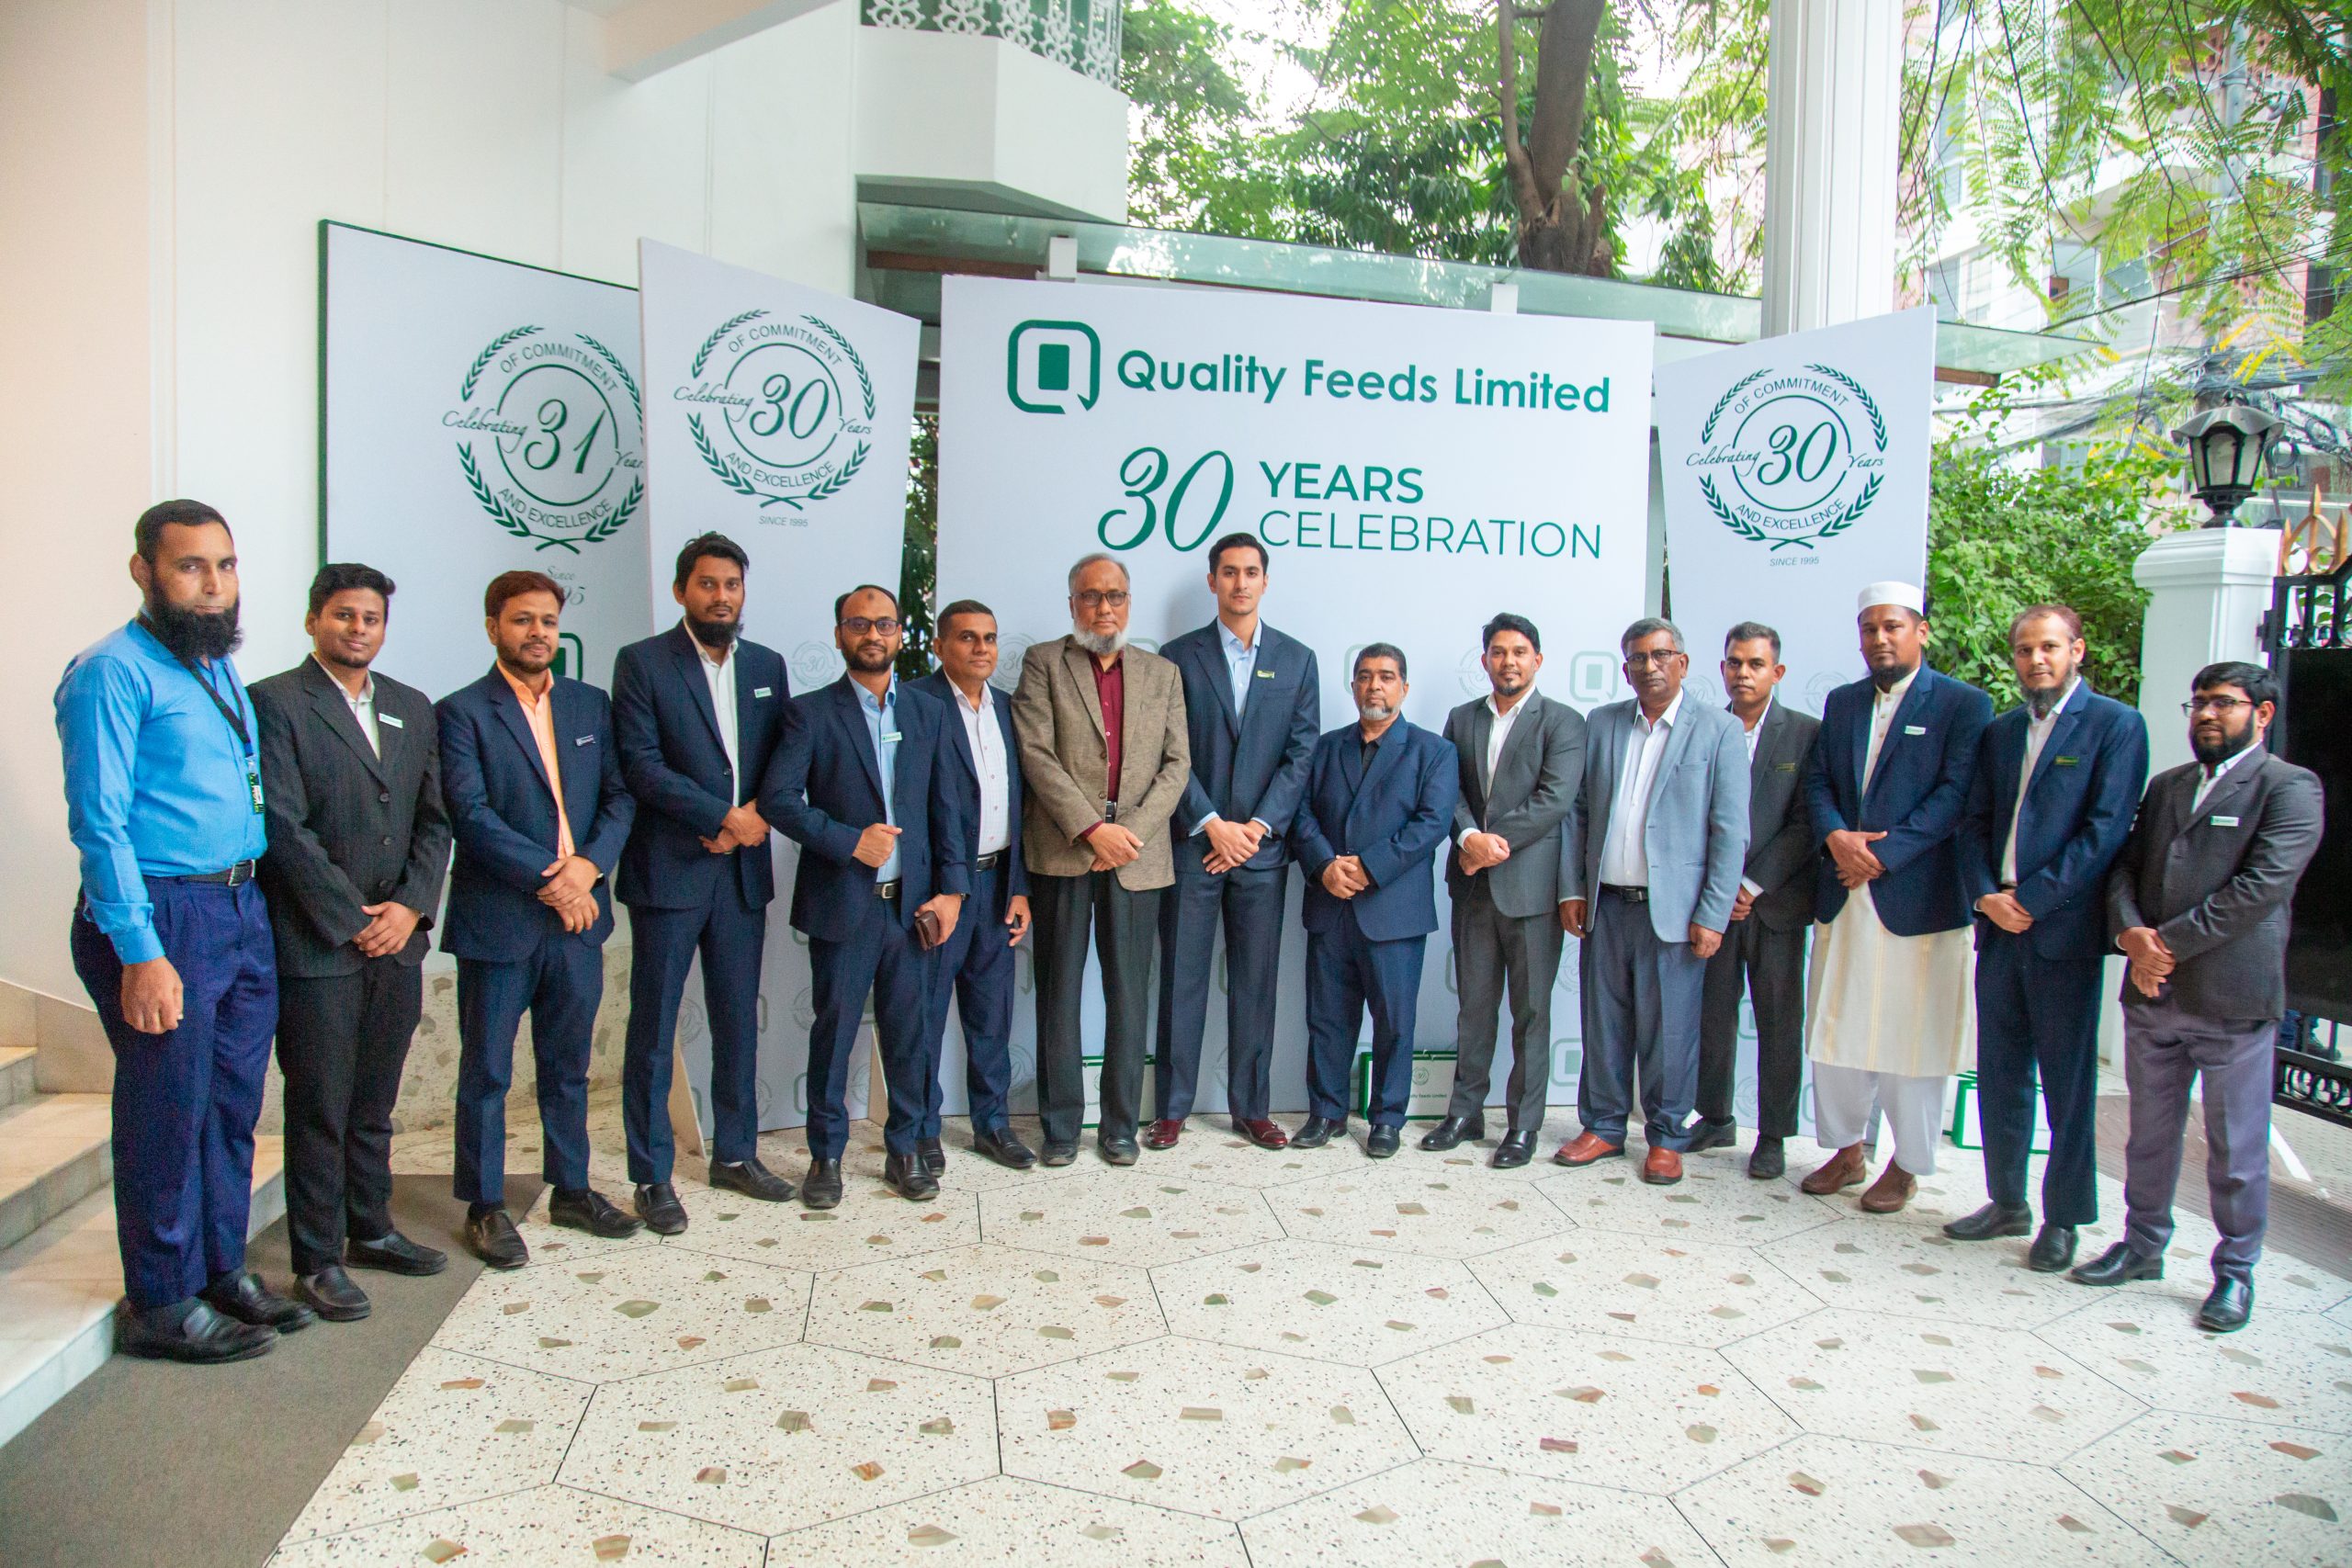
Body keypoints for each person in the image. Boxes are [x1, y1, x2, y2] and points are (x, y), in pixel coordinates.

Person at [59, 500, 311, 1361]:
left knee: (231, 1107)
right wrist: (141, 952)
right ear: (144, 571)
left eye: (225, 565)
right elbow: (100, 824)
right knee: (167, 1112)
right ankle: (161, 1298)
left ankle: (217, 1267)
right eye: (190, 566)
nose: (213, 584)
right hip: (164, 914)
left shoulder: (211, 664)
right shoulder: (111, 671)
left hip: (239, 905)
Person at [2075, 661, 2321, 1333]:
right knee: (2149, 1136)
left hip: (2230, 1000)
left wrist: (2163, 946)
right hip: (2152, 994)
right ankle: (2142, 1245)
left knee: (2236, 1148)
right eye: (2199, 702)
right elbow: (2124, 867)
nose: (2207, 714)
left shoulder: (2289, 788)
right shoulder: (2168, 785)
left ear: (2261, 714)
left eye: (2224, 703)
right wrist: (2130, 934)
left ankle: (2235, 1271)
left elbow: (2260, 888)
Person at [251, 563, 453, 1323]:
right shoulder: (275, 702)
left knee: (374, 1103)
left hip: (397, 942)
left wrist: (408, 909)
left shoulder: (411, 705)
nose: (358, 628)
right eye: (343, 614)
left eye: (370, 617)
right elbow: (282, 825)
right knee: (321, 1107)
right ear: (314, 620)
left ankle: (370, 1228)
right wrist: (353, 916)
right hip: (319, 943)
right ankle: (316, 1259)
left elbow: (434, 819)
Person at [437, 571, 639, 1268]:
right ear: (493, 626)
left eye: (548, 621)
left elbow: (619, 799)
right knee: (487, 1071)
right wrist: (557, 880)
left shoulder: (589, 704)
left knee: (568, 1066)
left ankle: (571, 1189)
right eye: (523, 620)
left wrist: (589, 868)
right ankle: (485, 1205)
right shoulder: (461, 711)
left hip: (578, 923)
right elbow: (471, 816)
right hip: (500, 921)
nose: (538, 633)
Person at [1948, 605, 2148, 1273]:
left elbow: (2106, 829)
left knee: (2067, 1082)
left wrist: (2030, 901)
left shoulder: (2116, 725)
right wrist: (1986, 896)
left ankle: (2064, 1218)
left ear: (2077, 651)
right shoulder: (2002, 731)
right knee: (2001, 1073)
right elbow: (1973, 822)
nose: (2037, 659)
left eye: (2050, 647)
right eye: (2025, 649)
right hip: (1998, 924)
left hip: (2061, 931)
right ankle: (2007, 1200)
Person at [760, 585, 967, 1205]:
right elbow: (778, 800)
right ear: (839, 634)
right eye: (859, 624)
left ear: (900, 634)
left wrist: (953, 891)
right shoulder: (809, 713)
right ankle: (825, 1156)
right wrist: (850, 841)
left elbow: (947, 808)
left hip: (913, 909)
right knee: (835, 1033)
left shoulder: (928, 711)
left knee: (910, 1035)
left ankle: (904, 1150)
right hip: (844, 906)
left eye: (884, 624)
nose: (872, 634)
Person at [612, 534, 794, 1235]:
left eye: (732, 585)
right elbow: (640, 762)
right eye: (709, 584)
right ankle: (651, 1174)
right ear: (682, 590)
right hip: (670, 871)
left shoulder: (767, 665)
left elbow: (784, 760)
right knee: (654, 1028)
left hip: (741, 873)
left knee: (737, 1020)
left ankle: (736, 1154)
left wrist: (752, 820)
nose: (722, 596)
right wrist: (719, 817)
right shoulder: (643, 662)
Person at [1799, 582, 1992, 1214]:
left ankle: (1907, 1163)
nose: (1879, 639)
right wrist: (1836, 837)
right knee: (1836, 1028)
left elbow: (1956, 794)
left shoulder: (1965, 704)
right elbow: (1819, 780)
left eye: (1892, 627)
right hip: (1845, 892)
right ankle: (1846, 1149)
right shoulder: (1845, 701)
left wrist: (1881, 855)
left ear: (1921, 631)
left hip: (1918, 898)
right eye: (1869, 629)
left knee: (1914, 1039)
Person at [1011, 554, 1192, 1166]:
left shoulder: (1163, 674)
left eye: (1114, 595)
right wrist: (1092, 830)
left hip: (1137, 858)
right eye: (1090, 596)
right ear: (1072, 604)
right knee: (1058, 994)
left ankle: (1119, 1126)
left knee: (1129, 996)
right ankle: (1061, 1128)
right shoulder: (1043, 663)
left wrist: (1125, 835)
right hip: (1065, 851)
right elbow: (1035, 753)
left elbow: (1177, 765)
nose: (1103, 607)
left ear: (1129, 602)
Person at [1555, 619, 1748, 1185]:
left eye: (1661, 655)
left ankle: (1666, 1137)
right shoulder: (1603, 722)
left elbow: (1730, 831)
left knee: (1671, 1032)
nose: (1650, 666)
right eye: (1638, 658)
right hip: (1606, 905)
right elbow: (1578, 813)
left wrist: (1713, 914)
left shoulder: (1718, 730)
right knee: (1603, 1024)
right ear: (1626, 669)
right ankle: (1603, 1126)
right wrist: (1573, 888)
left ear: (1682, 663)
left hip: (1676, 914)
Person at [1152, 532, 1319, 1151]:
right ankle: (1171, 1109)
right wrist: (1211, 822)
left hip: (1261, 850)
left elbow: (1301, 754)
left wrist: (1256, 827)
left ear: (1265, 581)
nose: (1240, 582)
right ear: (1212, 581)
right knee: (1182, 979)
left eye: (1251, 572)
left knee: (1255, 984)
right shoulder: (1177, 656)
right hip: (1195, 845)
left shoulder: (1298, 659)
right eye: (1229, 572)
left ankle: (1251, 1108)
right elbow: (1168, 750)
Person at [1428, 612, 1586, 1167]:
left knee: (1531, 1014)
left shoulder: (1563, 722)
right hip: (1473, 887)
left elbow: (1555, 799)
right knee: (1473, 1009)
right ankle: (1464, 1113)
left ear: (1537, 660)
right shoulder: (1461, 718)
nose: (1509, 661)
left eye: (1519, 652)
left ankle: (1522, 1126)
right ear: (1485, 660)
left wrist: (1491, 843)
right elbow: (1446, 789)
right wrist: (1468, 837)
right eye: (1498, 652)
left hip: (1532, 892)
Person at [1290, 645, 1459, 1156]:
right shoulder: (1325, 748)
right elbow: (1299, 813)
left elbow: (1432, 824)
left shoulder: (1433, 751)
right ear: (1353, 687)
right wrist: (1325, 864)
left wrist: (1369, 867)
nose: (1374, 686)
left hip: (1394, 912)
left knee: (1394, 1024)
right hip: (1330, 905)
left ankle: (1387, 1119)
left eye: (1386, 677)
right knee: (1327, 1020)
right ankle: (1326, 1113)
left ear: (1404, 687)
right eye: (1364, 676)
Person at [909, 600, 1037, 1171]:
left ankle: (993, 1125)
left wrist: (1020, 887)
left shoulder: (1009, 709)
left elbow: (1021, 804)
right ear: (940, 646)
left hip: (998, 884)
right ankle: (922, 1131)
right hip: (941, 890)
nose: (981, 648)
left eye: (989, 637)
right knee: (926, 1017)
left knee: (991, 1018)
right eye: (966, 637)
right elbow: (912, 803)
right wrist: (942, 888)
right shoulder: (915, 703)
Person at [1692, 623, 1821, 1179]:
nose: (1743, 673)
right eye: (1734, 663)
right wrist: (1720, 889)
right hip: (1712, 905)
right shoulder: (1703, 728)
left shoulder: (1806, 734)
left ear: (1777, 672)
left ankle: (1773, 1135)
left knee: (1778, 1021)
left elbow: (1807, 822)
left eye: (1755, 664)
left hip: (1775, 905)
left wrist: (1748, 885)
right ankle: (1715, 1117)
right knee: (1712, 1016)